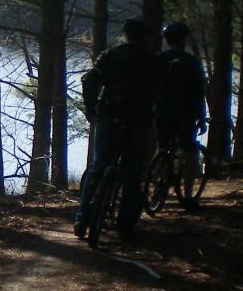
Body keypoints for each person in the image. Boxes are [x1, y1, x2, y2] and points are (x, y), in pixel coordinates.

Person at [74, 18, 163, 242]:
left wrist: (91, 107)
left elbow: (89, 80)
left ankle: (82, 219)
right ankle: (126, 227)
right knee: (133, 172)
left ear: (127, 35)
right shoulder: (154, 62)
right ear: (145, 38)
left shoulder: (110, 55)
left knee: (99, 166)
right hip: (139, 121)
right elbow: (161, 94)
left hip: (109, 116)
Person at [154, 21, 208, 210]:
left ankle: (157, 187)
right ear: (183, 40)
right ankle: (188, 196)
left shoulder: (159, 60)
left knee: (161, 147)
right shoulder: (192, 62)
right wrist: (202, 117)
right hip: (185, 115)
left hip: (161, 112)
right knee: (190, 152)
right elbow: (198, 92)